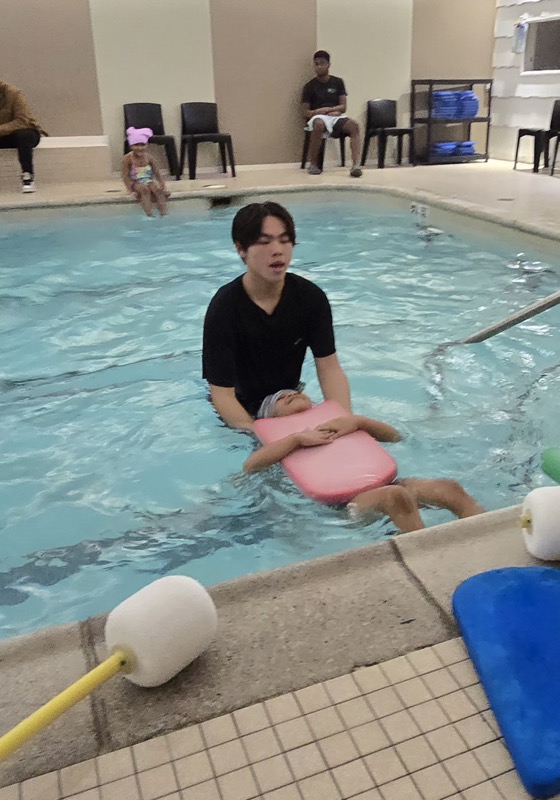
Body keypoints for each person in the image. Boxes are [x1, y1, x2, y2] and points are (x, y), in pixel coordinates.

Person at [244, 389, 484, 533]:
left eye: (294, 392)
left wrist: (359, 422)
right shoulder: (278, 442)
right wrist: (296, 439)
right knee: (395, 497)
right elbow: (251, 465)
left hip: (382, 481)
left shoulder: (334, 420)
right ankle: (426, 555)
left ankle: (487, 530)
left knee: (449, 488)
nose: (290, 394)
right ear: (271, 418)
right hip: (340, 506)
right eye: (280, 399)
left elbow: (396, 437)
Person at [202, 201, 351, 431]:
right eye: (264, 242)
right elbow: (222, 395)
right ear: (241, 249)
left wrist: (344, 419)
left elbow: (329, 368)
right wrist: (257, 433)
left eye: (284, 240)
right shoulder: (224, 308)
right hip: (238, 409)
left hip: (287, 399)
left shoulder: (310, 298)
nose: (277, 250)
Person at [301, 51, 362, 179]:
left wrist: (332, 110)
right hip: (318, 116)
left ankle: (356, 166)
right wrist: (319, 111)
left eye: (322, 63)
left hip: (335, 116)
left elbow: (343, 107)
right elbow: (305, 113)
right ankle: (313, 164)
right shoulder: (309, 86)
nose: (319, 67)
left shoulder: (338, 82)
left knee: (354, 126)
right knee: (318, 124)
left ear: (328, 65)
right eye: (316, 64)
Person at [0, 81, 47, 193]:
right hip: (3, 135)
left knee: (23, 135)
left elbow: (22, 121)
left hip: (25, 131)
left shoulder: (13, 93)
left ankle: (28, 176)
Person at [122, 127, 169, 217]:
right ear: (131, 146)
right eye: (136, 145)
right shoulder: (128, 158)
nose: (140, 148)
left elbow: (157, 172)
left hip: (148, 180)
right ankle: (149, 214)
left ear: (147, 145)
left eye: (142, 145)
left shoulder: (149, 157)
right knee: (144, 190)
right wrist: (130, 189)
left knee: (158, 191)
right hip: (135, 182)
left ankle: (164, 213)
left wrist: (162, 184)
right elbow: (125, 175)